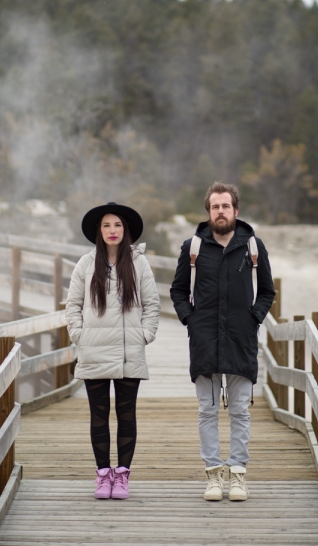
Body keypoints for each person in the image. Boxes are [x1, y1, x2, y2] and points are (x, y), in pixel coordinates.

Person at [170, 181, 274, 502]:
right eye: (215, 207)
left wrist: (254, 318)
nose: (220, 211)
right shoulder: (193, 247)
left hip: (241, 339)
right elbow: (178, 290)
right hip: (205, 341)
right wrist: (190, 319)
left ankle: (238, 475)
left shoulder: (253, 246)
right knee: (207, 410)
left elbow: (267, 291)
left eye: (225, 206)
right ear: (208, 211)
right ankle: (214, 475)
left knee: (240, 411)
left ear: (235, 210)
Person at [65, 201, 161, 500]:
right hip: (93, 349)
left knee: (126, 414)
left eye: (117, 224)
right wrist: (79, 335)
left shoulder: (138, 263)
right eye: (106, 225)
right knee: (99, 415)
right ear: (99, 230)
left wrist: (144, 335)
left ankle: (122, 476)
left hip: (128, 352)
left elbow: (152, 304)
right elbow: (73, 305)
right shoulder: (85, 264)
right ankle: (103, 475)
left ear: (125, 229)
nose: (112, 230)